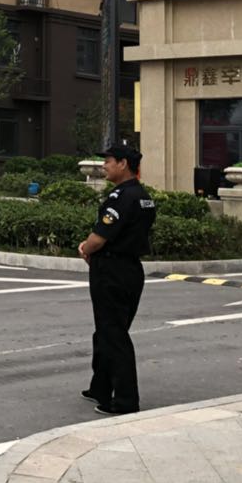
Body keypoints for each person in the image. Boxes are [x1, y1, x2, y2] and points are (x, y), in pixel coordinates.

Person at [77, 143, 156, 415]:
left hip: (112, 270)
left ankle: (124, 401)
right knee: (107, 331)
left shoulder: (121, 197)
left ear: (123, 164)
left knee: (114, 334)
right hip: (129, 269)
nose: (105, 166)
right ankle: (100, 387)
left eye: (109, 161)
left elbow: (99, 237)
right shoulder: (143, 196)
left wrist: (85, 248)